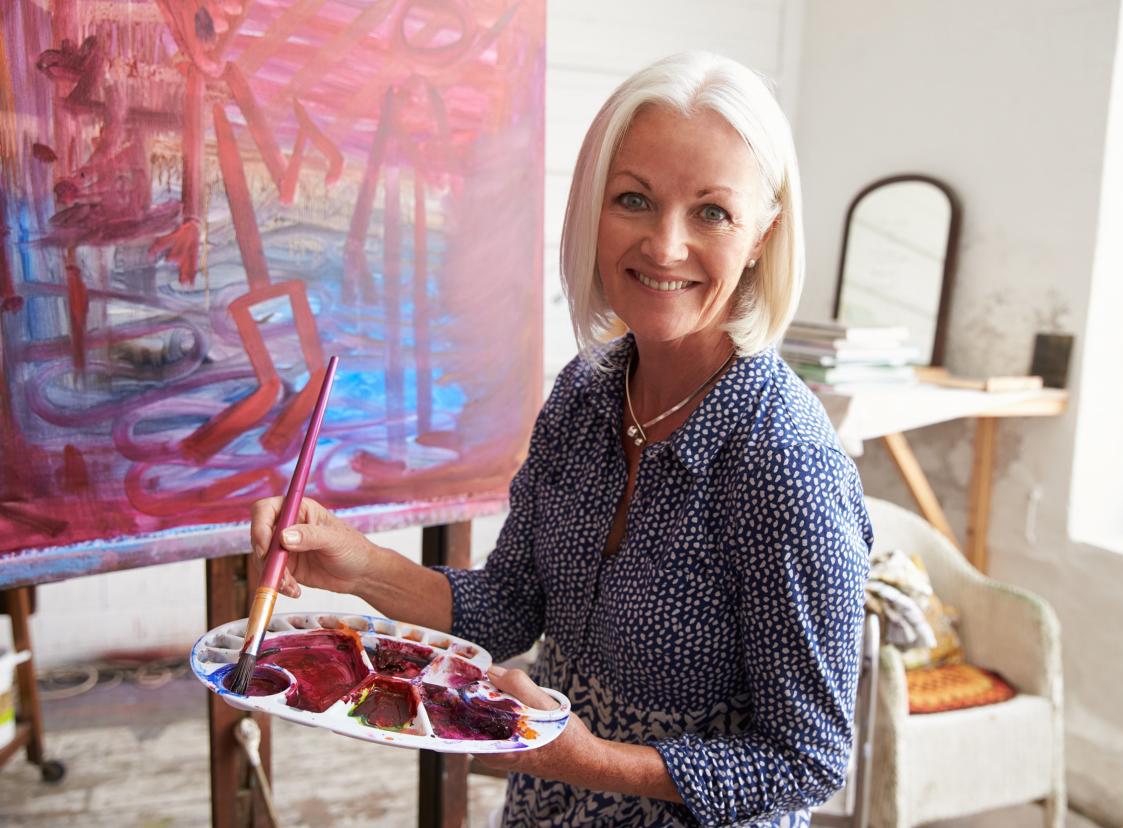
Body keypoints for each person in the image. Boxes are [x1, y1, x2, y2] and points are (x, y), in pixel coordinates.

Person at [251, 51, 872, 827]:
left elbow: (808, 760)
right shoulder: (585, 394)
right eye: (634, 200)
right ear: (593, 208)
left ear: (762, 234)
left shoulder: (784, 464)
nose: (665, 246)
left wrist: (590, 762)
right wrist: (360, 564)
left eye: (711, 212)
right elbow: (512, 605)